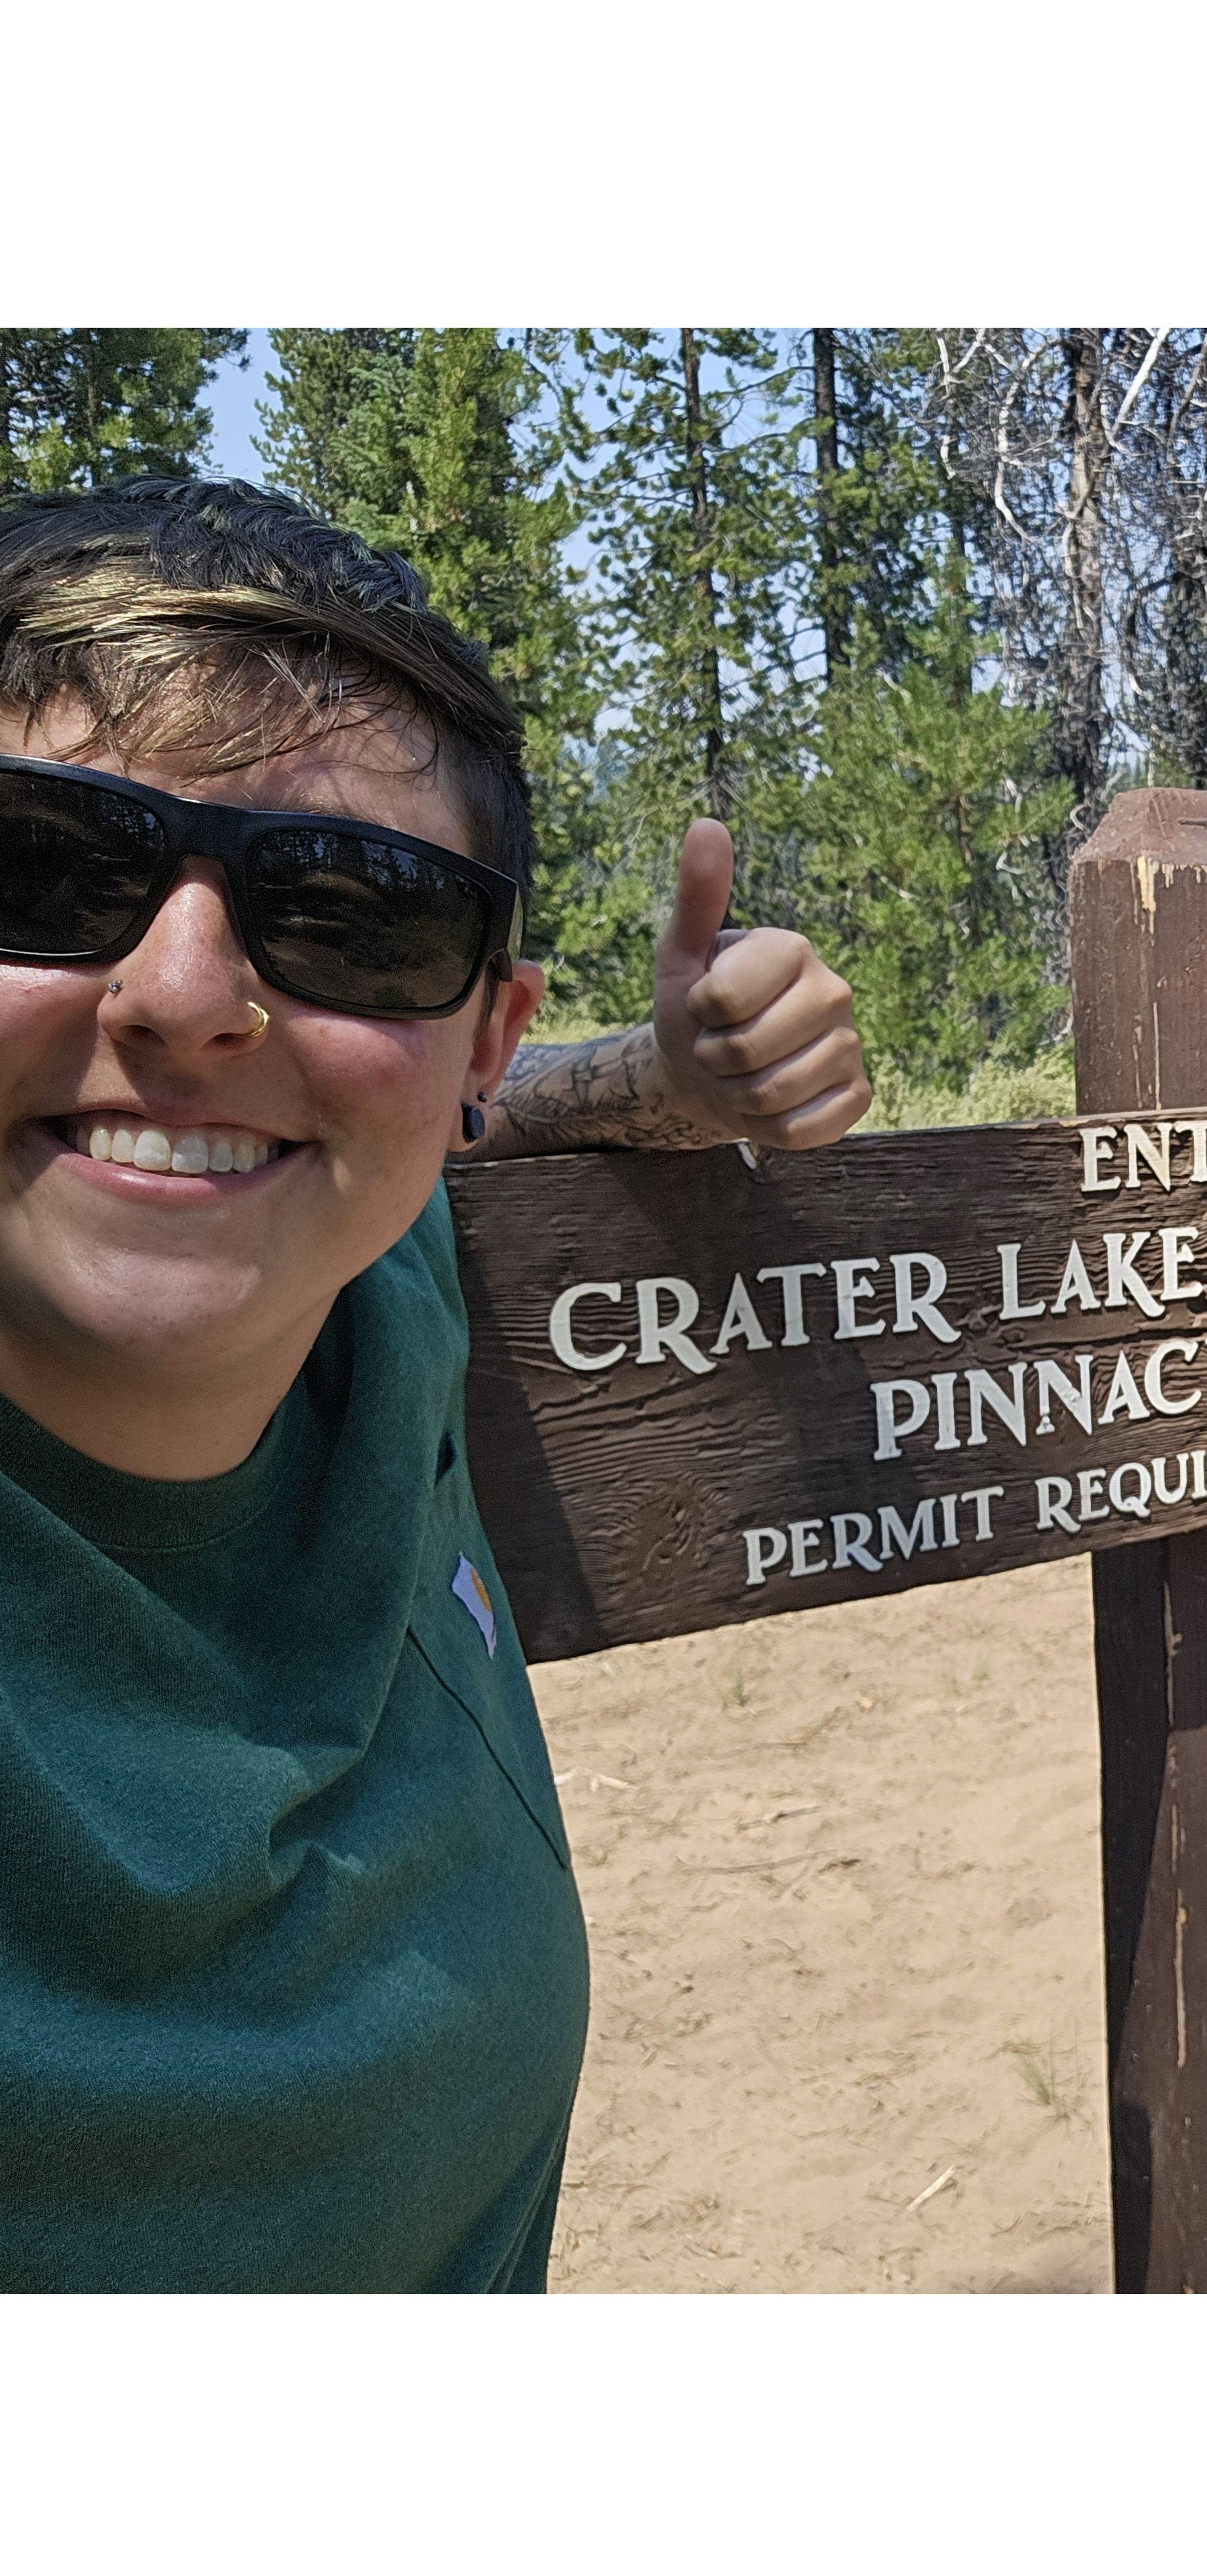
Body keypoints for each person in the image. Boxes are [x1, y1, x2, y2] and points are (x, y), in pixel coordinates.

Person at [0, 477, 873, 2291]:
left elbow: (412, 1123)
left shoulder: (365, 1264)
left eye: (354, 914)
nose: (187, 998)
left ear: (481, 1025)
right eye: (44, 865)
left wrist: (663, 1080)